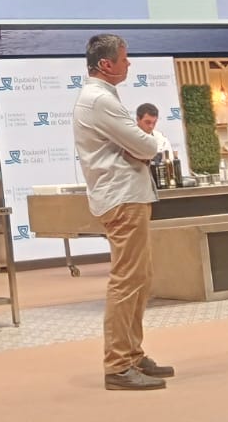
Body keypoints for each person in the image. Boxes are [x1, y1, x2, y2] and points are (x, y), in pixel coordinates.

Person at [73, 34, 172, 391]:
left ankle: (132, 353)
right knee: (128, 280)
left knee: (139, 278)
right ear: (106, 64)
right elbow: (148, 144)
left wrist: (140, 150)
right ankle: (117, 365)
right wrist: (141, 150)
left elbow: (143, 147)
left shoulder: (101, 99)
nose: (129, 64)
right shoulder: (99, 101)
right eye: (124, 58)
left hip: (127, 195)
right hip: (123, 198)